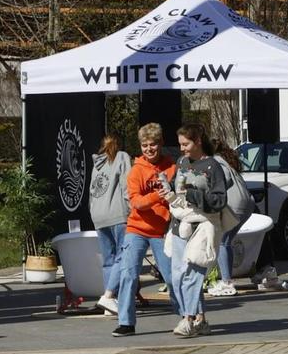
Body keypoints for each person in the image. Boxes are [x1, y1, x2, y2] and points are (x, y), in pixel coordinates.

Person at [111, 123, 176, 337]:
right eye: (145, 145)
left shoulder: (171, 167)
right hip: (136, 229)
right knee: (128, 274)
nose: (149, 149)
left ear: (161, 144)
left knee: (170, 276)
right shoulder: (136, 171)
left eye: (153, 145)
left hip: (161, 231)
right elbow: (137, 203)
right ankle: (126, 322)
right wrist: (159, 195)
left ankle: (186, 315)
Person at [168, 124, 227, 337]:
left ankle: (188, 319)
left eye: (186, 144)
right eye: (180, 144)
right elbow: (178, 192)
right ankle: (200, 320)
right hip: (179, 226)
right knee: (177, 278)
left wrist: (193, 195)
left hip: (202, 227)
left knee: (192, 276)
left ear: (198, 141)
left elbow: (219, 200)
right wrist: (167, 191)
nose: (182, 148)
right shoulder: (182, 162)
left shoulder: (212, 166)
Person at [89, 134, 132, 315]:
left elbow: (92, 190)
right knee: (122, 256)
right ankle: (112, 297)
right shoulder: (122, 157)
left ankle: (109, 301)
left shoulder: (96, 164)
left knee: (108, 260)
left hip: (98, 215)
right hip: (117, 213)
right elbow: (127, 185)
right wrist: (132, 209)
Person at [207, 138, 255, 297]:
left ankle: (227, 282)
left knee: (223, 242)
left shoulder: (215, 161)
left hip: (235, 205)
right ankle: (226, 279)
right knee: (225, 241)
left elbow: (225, 179)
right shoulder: (225, 160)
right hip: (246, 203)